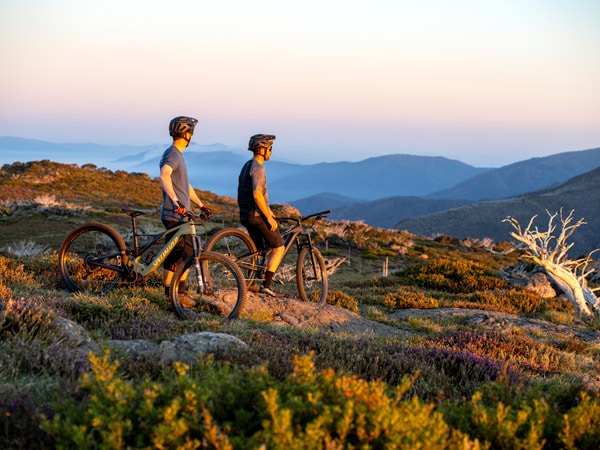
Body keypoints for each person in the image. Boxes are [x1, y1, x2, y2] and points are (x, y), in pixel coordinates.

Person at [159, 116, 212, 307]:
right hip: (174, 214)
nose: (192, 135)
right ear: (186, 134)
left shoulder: (178, 155)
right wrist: (175, 201)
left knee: (187, 252)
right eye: (191, 132)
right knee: (178, 254)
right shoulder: (173, 154)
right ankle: (170, 295)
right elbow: (164, 175)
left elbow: (186, 187)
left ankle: (178, 292)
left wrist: (201, 205)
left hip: (182, 214)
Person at [237, 134, 285, 297]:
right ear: (263, 149)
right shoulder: (258, 167)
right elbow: (257, 195)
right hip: (256, 215)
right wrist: (269, 218)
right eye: (270, 148)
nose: (271, 151)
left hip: (245, 214)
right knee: (279, 248)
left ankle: (252, 282)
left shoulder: (247, 165)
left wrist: (270, 212)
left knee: (259, 250)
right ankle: (266, 285)